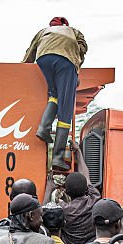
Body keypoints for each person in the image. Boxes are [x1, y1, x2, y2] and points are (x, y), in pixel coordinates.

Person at [22, 16, 88, 171]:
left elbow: (30, 51)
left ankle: (43, 128)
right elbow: (82, 48)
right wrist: (76, 69)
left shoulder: (43, 32)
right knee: (65, 109)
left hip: (43, 57)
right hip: (65, 61)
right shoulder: (74, 31)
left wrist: (23, 66)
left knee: (54, 95)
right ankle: (57, 157)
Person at [50, 162, 101, 244]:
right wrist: (77, 151)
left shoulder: (63, 209)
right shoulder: (94, 200)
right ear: (86, 189)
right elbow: (86, 176)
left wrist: (49, 187)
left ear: (66, 192)